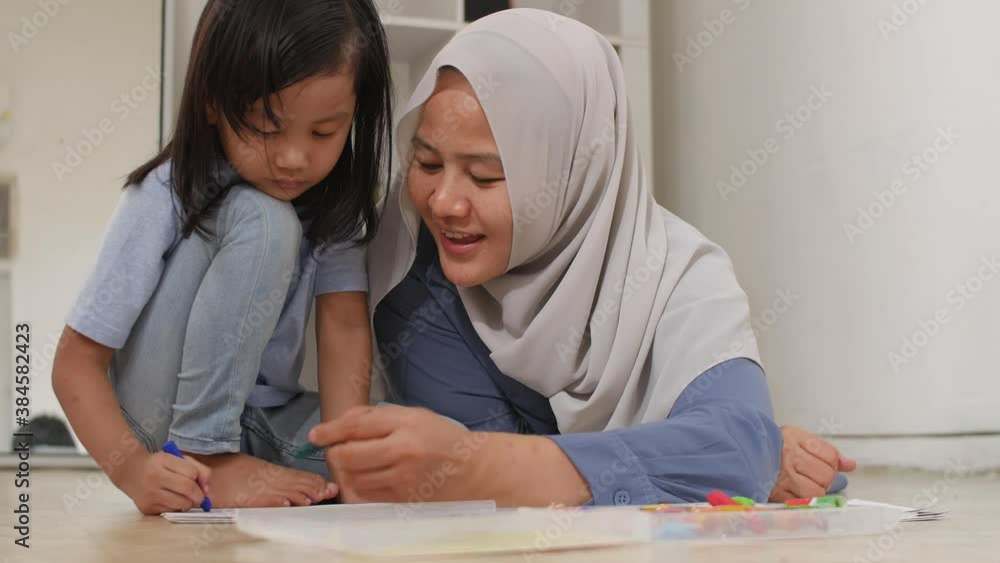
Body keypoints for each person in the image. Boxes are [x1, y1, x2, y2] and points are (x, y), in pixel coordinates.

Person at [308, 9, 854, 506]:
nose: (444, 203)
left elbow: (734, 443)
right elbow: (490, 481)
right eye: (426, 164)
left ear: (575, 172)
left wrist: (737, 453)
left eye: (484, 175)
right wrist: (701, 456)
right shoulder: (413, 278)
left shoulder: (677, 272)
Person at [51, 0, 392, 514]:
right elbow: (74, 364)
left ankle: (227, 459)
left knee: (397, 448)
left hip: (257, 424)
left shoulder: (338, 207)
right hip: (159, 420)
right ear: (213, 103)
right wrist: (131, 469)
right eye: (266, 126)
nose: (294, 158)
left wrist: (349, 460)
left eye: (324, 132)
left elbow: (344, 330)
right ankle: (203, 452)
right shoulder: (166, 191)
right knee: (264, 217)